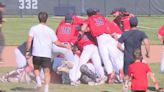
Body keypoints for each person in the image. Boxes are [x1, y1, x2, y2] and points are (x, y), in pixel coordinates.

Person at [26, 12, 70, 92]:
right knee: (47, 72)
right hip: (46, 54)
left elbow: (29, 40)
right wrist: (65, 46)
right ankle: (46, 90)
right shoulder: (50, 30)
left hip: (36, 53)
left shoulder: (33, 28)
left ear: (38, 18)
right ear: (46, 19)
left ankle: (39, 82)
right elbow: (57, 43)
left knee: (36, 68)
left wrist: (27, 51)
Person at [81, 8, 124, 83]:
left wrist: (88, 29)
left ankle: (110, 74)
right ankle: (121, 71)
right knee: (114, 55)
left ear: (88, 14)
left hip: (101, 39)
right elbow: (106, 26)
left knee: (105, 58)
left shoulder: (89, 19)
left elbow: (83, 28)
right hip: (108, 36)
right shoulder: (101, 17)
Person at [117, 16, 150, 83]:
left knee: (126, 74)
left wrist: (124, 51)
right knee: (138, 74)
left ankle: (125, 86)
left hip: (127, 57)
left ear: (129, 23)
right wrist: (147, 53)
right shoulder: (141, 33)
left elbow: (118, 45)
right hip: (137, 57)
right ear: (137, 23)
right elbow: (147, 43)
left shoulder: (125, 33)